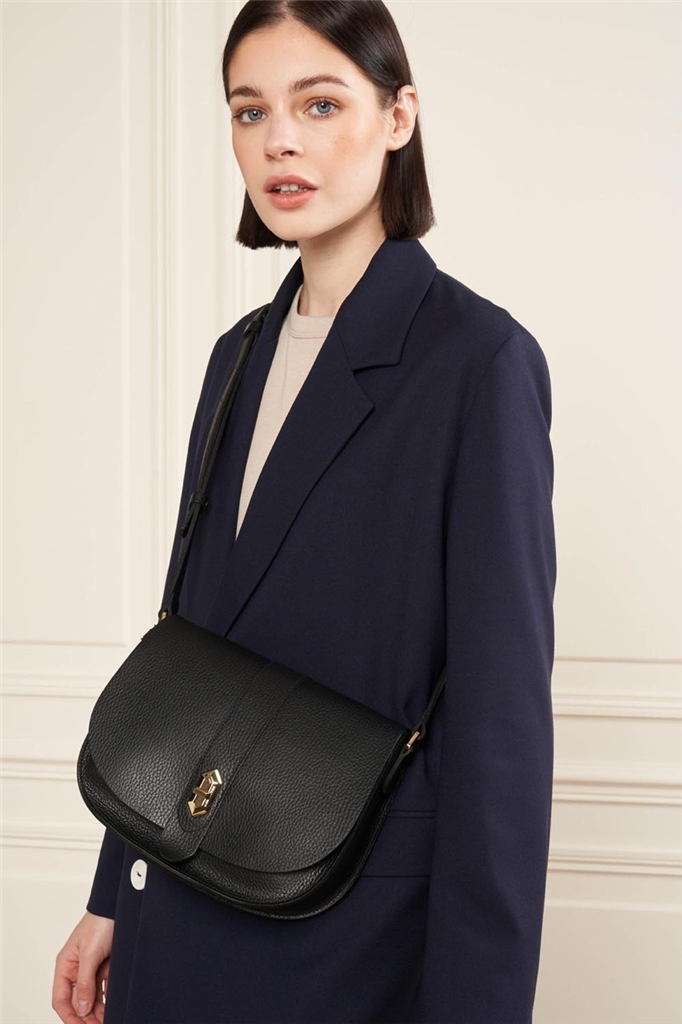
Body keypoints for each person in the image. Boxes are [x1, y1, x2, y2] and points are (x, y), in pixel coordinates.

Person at [52, 1, 556, 1021]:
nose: (278, 139)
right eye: (250, 111)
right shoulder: (236, 355)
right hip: (175, 903)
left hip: (343, 939)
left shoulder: (477, 362)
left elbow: (500, 724)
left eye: (319, 104)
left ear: (398, 116)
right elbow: (190, 651)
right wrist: (114, 892)